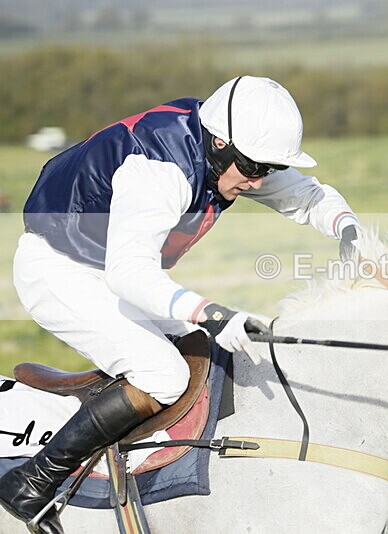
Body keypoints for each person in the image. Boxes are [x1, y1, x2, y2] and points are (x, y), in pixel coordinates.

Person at [0, 76, 360, 534]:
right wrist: (212, 313)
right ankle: (31, 481)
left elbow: (306, 195)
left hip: (107, 268)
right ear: (220, 143)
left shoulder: (225, 150)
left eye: (269, 168)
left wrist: (350, 229)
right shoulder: (160, 171)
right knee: (163, 374)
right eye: (254, 167)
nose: (258, 180)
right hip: (59, 269)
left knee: (205, 349)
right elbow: (130, 274)